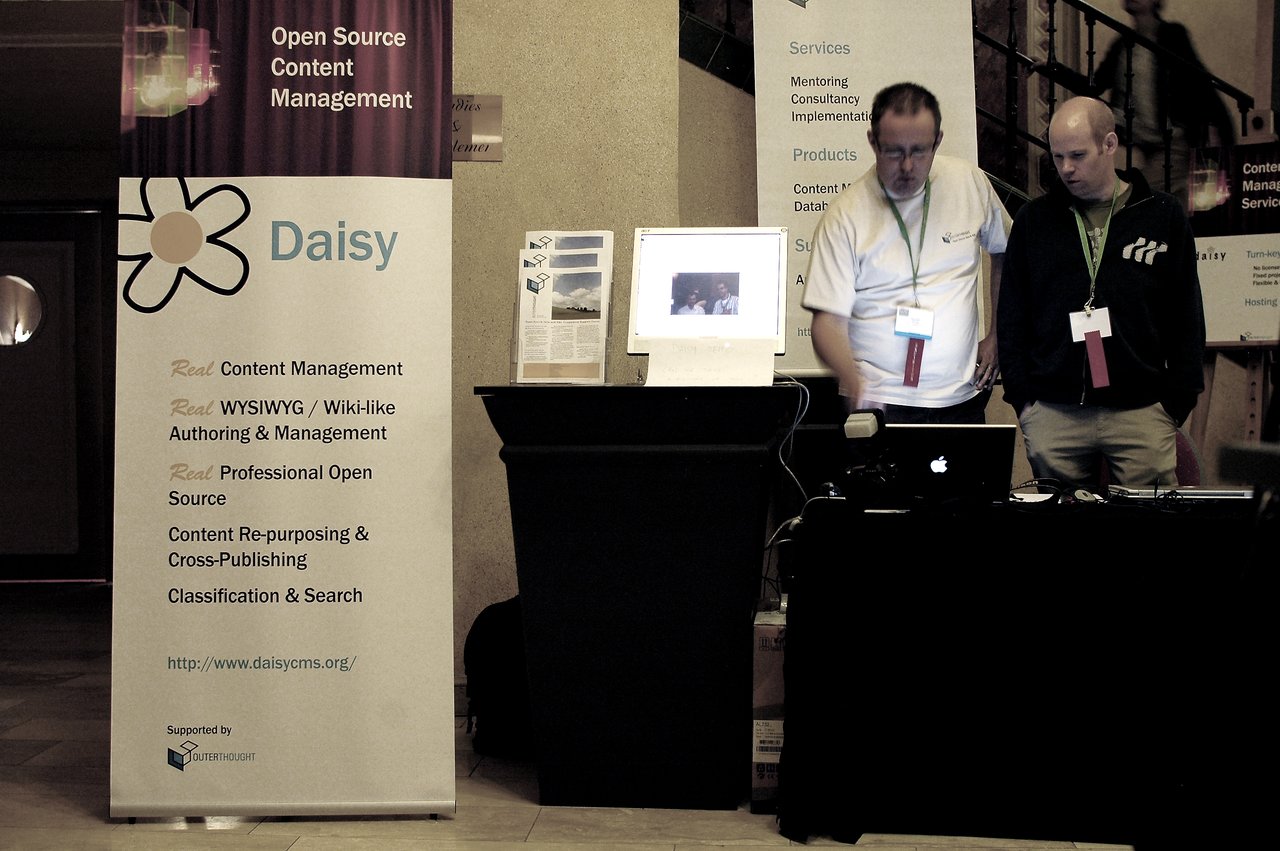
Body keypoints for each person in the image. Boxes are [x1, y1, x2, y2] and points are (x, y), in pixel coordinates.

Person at [997, 96, 1206, 492]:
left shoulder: (1162, 215)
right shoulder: (1034, 222)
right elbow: (1012, 316)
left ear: (1109, 145)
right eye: (1057, 157)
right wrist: (1024, 402)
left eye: (1077, 155)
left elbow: (1186, 316)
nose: (1066, 169)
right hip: (1054, 413)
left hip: (1142, 410)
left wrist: (1176, 402)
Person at [802, 82, 1012, 424]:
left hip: (961, 396)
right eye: (894, 151)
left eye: (919, 151)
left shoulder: (968, 183)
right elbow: (826, 322)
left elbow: (1006, 251)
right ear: (873, 141)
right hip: (879, 401)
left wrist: (997, 335)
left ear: (938, 141)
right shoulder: (846, 215)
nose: (907, 166)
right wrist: (855, 384)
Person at [1047, 0, 1234, 208]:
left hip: (1173, 139)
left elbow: (1199, 82)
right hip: (1143, 140)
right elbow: (1093, 86)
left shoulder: (1172, 35)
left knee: (1146, 199)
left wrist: (1218, 126)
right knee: (1160, 201)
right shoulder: (1123, 43)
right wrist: (1051, 68)